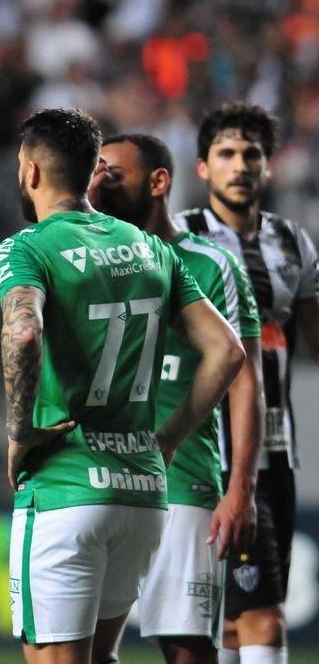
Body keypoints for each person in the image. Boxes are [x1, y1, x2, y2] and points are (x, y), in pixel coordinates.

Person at [0, 108, 245, 664]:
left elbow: (24, 332)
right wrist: (169, 437)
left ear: (31, 171)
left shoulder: (26, 249)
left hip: (64, 491)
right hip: (142, 493)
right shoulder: (152, 249)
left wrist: (20, 433)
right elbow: (227, 351)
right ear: (90, 174)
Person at [91, 134, 263, 664]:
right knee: (84, 648)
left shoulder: (212, 265)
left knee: (186, 648)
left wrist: (241, 488)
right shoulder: (88, 258)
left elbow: (244, 378)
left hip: (182, 478)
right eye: (94, 174)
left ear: (158, 182)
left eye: (112, 175)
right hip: (96, 475)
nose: (99, 185)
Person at [176, 102, 319, 664]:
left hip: (277, 452)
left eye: (252, 154)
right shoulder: (180, 239)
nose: (240, 165)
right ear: (203, 167)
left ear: (269, 165)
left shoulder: (294, 243)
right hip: (209, 454)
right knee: (260, 613)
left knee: (237, 620)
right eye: (227, 153)